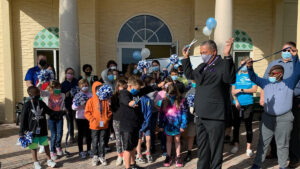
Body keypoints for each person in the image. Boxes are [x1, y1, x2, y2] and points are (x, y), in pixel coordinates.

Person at [182, 38, 236, 169]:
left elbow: (230, 78)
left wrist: (228, 55)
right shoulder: (202, 66)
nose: (202, 55)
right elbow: (190, 75)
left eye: (204, 52)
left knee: (215, 149)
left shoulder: (223, 64)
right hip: (201, 114)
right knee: (203, 147)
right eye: (201, 52)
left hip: (215, 116)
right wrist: (185, 58)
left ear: (214, 52)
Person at [246, 55, 300, 169]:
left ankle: (283, 166)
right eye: (270, 73)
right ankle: (256, 165)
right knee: (263, 142)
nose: (270, 75)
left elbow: (297, 72)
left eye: (273, 73)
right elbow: (254, 78)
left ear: (280, 74)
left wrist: (295, 58)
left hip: (284, 118)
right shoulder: (266, 83)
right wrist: (250, 68)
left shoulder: (289, 83)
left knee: (282, 145)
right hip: (267, 117)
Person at [19, 86, 58, 169]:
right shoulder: (27, 105)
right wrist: (21, 132)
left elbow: (49, 111)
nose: (38, 95)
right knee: (33, 147)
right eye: (36, 93)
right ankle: (36, 162)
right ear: (30, 94)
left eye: (39, 93)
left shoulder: (41, 103)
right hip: (31, 130)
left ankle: (49, 160)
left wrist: (59, 113)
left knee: (46, 145)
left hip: (42, 129)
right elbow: (22, 119)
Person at [230, 56, 257, 157]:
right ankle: (236, 145)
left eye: (244, 64)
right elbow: (233, 91)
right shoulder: (236, 76)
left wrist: (241, 90)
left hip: (248, 104)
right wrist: (236, 101)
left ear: (249, 64)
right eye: (241, 64)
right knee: (236, 126)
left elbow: (254, 89)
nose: (242, 66)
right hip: (237, 104)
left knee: (248, 126)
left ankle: (248, 148)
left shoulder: (253, 76)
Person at [119, 76, 145, 169]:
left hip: (135, 125)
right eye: (136, 89)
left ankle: (133, 164)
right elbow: (126, 101)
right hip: (127, 126)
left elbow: (146, 89)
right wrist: (131, 103)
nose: (137, 91)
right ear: (130, 86)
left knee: (133, 146)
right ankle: (127, 167)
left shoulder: (136, 94)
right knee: (127, 148)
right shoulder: (124, 93)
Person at [159, 84, 187, 167]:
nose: (171, 95)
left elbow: (184, 113)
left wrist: (183, 125)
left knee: (177, 140)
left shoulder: (181, 100)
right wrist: (160, 125)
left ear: (176, 92)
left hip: (177, 124)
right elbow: (161, 114)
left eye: (173, 93)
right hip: (168, 124)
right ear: (167, 92)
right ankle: (168, 156)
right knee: (168, 140)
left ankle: (178, 156)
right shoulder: (164, 101)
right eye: (170, 93)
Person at [84, 81, 112, 166]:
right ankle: (95, 156)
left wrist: (106, 119)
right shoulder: (90, 101)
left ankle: (102, 156)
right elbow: (87, 112)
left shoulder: (105, 100)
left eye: (100, 88)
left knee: (102, 141)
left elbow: (110, 111)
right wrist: (92, 120)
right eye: (97, 89)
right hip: (94, 126)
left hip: (104, 125)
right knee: (95, 141)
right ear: (93, 90)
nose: (98, 90)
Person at [40, 81, 66, 160]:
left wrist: (64, 109)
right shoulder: (48, 94)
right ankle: (52, 151)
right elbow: (39, 90)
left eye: (59, 87)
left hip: (59, 115)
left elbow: (62, 104)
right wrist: (41, 82)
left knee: (60, 132)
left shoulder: (62, 95)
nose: (57, 89)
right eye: (55, 88)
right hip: (51, 116)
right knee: (53, 134)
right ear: (51, 89)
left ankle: (58, 146)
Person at [72, 79, 93, 159]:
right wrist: (79, 104)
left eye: (86, 85)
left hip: (89, 117)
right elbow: (73, 107)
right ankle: (81, 151)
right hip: (80, 117)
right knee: (80, 135)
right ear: (79, 86)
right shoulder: (77, 95)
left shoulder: (91, 95)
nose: (85, 87)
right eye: (83, 85)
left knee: (89, 134)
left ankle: (89, 149)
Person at [110, 79, 128, 166]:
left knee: (125, 138)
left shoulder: (128, 95)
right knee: (118, 138)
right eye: (123, 86)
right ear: (118, 87)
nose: (124, 87)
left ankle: (125, 155)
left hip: (126, 119)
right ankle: (119, 155)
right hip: (117, 119)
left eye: (125, 85)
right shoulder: (114, 96)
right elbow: (113, 109)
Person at [61, 68, 78, 143]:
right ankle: (71, 136)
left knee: (78, 120)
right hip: (68, 105)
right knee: (70, 121)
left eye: (71, 73)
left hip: (78, 105)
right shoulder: (63, 84)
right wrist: (66, 94)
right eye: (68, 73)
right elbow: (61, 96)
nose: (70, 74)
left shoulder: (77, 82)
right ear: (65, 74)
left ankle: (82, 135)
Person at [136, 90, 153, 164]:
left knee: (148, 138)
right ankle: (139, 154)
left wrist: (147, 121)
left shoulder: (148, 99)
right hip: (138, 123)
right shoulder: (136, 99)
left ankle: (148, 152)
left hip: (146, 122)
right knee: (139, 140)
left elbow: (149, 111)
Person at [183, 80, 197, 162]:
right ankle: (189, 152)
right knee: (191, 135)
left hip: (202, 117)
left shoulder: (204, 89)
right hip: (192, 118)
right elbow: (185, 105)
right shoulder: (188, 92)